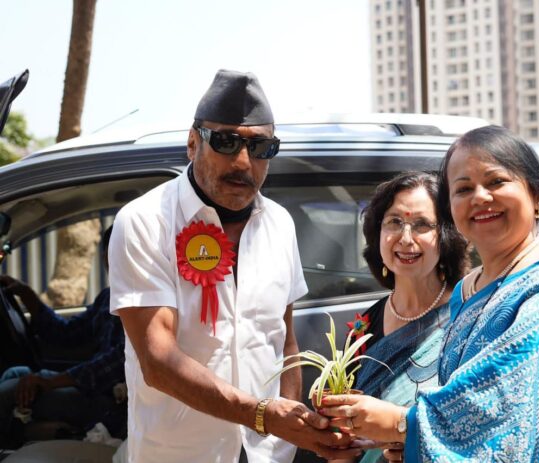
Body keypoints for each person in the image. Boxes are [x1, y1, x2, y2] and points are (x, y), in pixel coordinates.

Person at [320, 125, 539, 462]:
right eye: (463, 189)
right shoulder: (468, 288)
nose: (480, 197)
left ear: (536, 195)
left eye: (496, 182)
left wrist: (402, 426)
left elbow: (519, 421)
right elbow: (459, 397)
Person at [108, 69, 355, 463]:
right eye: (225, 142)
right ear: (192, 143)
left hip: (267, 453)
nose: (243, 161)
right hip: (180, 454)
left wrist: (286, 432)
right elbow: (157, 363)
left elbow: (285, 341)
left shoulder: (279, 223)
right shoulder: (145, 221)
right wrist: (262, 415)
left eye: (260, 148)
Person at [336, 171, 466, 463]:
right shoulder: (363, 328)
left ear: (446, 235)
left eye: (421, 225)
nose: (406, 239)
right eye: (395, 222)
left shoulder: (467, 318)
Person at [0, 225, 125, 447]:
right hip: (92, 389)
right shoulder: (109, 297)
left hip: (112, 403)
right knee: (16, 373)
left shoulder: (145, 302)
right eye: (109, 255)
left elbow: (115, 364)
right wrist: (27, 295)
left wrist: (50, 383)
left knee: (10, 394)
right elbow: (67, 334)